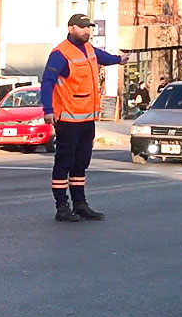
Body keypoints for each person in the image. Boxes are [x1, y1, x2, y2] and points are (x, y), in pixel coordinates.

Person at [41, 13, 128, 223]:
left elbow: (102, 57)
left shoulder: (88, 49)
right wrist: (48, 110)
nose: (87, 31)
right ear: (71, 28)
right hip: (68, 119)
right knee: (64, 163)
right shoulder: (60, 53)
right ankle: (62, 207)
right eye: (82, 28)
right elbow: (47, 82)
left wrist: (119, 60)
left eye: (89, 27)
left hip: (86, 119)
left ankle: (80, 204)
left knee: (81, 163)